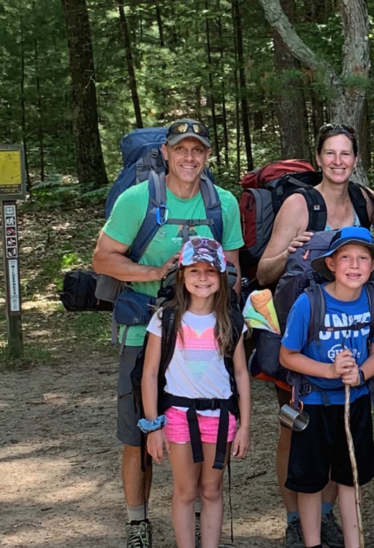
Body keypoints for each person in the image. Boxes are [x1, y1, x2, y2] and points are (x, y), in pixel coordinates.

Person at [93, 119, 244, 548]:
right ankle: (138, 521)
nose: (189, 158)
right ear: (165, 153)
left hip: (202, 339)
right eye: (181, 149)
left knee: (201, 419)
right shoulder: (136, 199)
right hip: (144, 331)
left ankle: (197, 513)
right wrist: (154, 273)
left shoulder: (223, 204)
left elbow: (231, 271)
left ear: (208, 156)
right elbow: (103, 258)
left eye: (198, 150)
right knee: (138, 431)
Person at [256, 123, 374, 548]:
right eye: (330, 153)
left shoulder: (363, 199)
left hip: (349, 336)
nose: (338, 161)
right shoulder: (299, 203)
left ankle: (327, 516)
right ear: (318, 158)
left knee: (339, 426)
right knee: (296, 427)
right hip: (301, 328)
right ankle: (296, 519)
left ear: (355, 159)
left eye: (346, 154)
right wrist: (290, 249)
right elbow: (263, 271)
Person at [279, 227, 374, 548]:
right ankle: (313, 543)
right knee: (311, 481)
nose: (354, 265)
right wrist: (330, 370)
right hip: (314, 404)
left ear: (373, 265)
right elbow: (287, 355)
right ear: (331, 264)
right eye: (346, 257)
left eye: (363, 258)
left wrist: (359, 375)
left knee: (350, 477)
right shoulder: (308, 304)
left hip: (355, 402)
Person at [141, 237, 250, 548]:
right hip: (177, 416)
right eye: (194, 271)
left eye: (210, 271)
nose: (203, 278)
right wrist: (153, 425)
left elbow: (241, 373)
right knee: (186, 490)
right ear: (181, 276)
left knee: (213, 489)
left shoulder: (230, 320)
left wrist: (245, 426)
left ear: (222, 276)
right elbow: (149, 374)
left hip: (221, 416)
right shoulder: (166, 319)